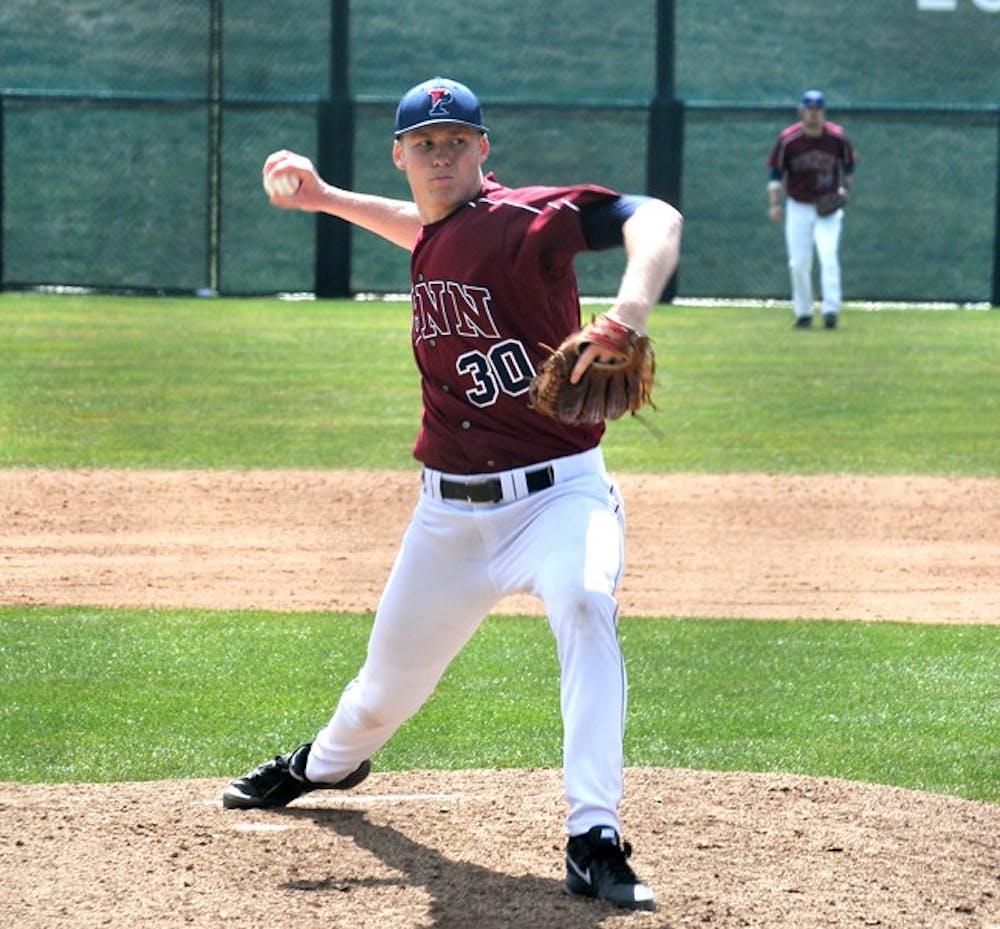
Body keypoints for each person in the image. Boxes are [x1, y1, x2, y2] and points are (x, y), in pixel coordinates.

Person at [222, 76, 682, 913]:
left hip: (558, 501)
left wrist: (629, 312)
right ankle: (322, 763)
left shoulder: (522, 221)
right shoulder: (444, 231)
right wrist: (324, 197)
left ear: (483, 150)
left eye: (457, 141)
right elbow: (423, 229)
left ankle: (595, 834)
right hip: (447, 517)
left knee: (584, 603)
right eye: (425, 144)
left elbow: (656, 217)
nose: (441, 155)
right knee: (380, 692)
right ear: (401, 154)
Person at [767, 89, 856, 329]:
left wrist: (844, 190)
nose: (813, 114)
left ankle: (830, 311)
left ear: (823, 112)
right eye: (809, 109)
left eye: (817, 110)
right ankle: (804, 312)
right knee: (798, 262)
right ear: (801, 111)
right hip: (798, 206)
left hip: (827, 207)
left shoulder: (837, 137)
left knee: (828, 255)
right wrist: (775, 203)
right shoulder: (789, 139)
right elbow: (775, 173)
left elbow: (848, 167)